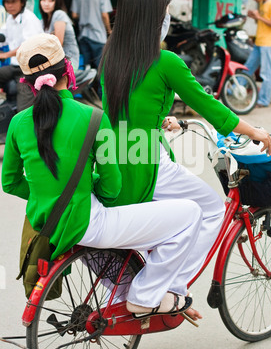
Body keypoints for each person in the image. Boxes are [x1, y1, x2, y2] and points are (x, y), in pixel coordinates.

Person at [1, 32, 204, 322]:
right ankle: (145, 298)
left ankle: (135, 301)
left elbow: (10, 182)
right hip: (89, 224)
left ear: (28, 84)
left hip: (50, 227)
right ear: (68, 71)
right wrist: (90, 190)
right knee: (191, 213)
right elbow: (112, 185)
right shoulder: (92, 117)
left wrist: (47, 194)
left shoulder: (18, 124)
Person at [98, 0, 271, 296]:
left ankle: (152, 277)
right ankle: (170, 288)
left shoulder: (111, 55)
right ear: (152, 18)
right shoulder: (166, 61)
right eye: (165, 12)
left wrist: (160, 119)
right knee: (211, 210)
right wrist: (254, 131)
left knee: (174, 213)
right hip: (147, 160)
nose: (167, 19)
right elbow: (211, 107)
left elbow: (124, 109)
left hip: (113, 154)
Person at [0, 0, 43, 111]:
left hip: (29, 69)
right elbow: (3, 37)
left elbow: (27, 47)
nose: (10, 5)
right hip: (15, 66)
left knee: (23, 108)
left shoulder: (29, 19)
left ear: (22, 2)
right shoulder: (10, 19)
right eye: (7, 2)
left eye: (13, 2)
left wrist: (5, 55)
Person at [245, 0, 271, 107]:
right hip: (259, 40)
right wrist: (254, 16)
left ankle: (264, 100)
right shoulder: (262, 2)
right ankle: (232, 90)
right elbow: (263, 20)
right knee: (248, 67)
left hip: (268, 42)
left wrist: (258, 17)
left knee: (266, 72)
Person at [71, 0, 112, 71]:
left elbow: (74, 15)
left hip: (83, 36)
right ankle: (99, 87)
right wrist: (109, 30)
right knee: (100, 67)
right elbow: (105, 15)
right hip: (98, 36)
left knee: (86, 67)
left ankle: (87, 87)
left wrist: (85, 15)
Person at [39, 0, 80, 70]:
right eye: (43, 0)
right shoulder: (42, 22)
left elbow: (58, 43)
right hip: (54, 62)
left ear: (57, 2)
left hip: (68, 62)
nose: (46, 4)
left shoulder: (59, 14)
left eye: (50, 1)